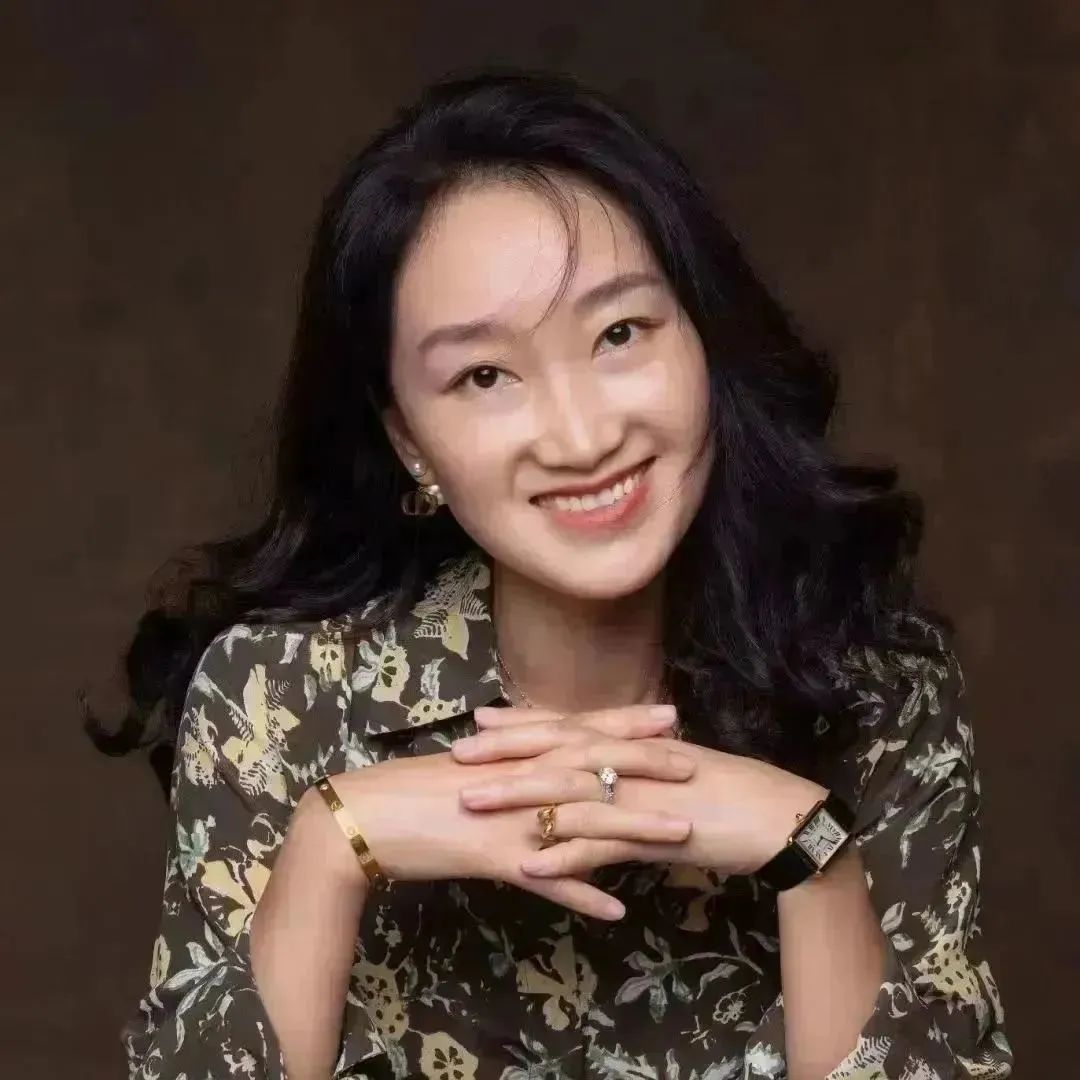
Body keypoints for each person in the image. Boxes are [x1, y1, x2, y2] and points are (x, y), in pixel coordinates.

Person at [88, 68, 1013, 1079]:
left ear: (705, 339)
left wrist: (811, 851)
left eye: (620, 333)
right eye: (485, 376)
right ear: (410, 443)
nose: (581, 438)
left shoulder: (878, 690)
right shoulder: (277, 698)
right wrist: (330, 847)